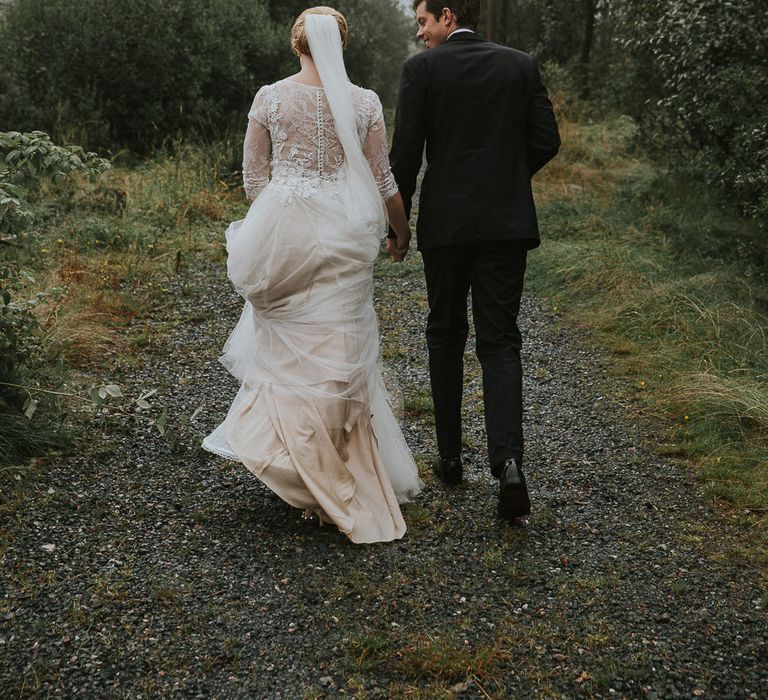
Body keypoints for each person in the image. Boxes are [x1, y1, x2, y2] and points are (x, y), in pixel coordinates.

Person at [202, 6, 422, 544]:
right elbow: (383, 176)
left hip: (287, 232)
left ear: (296, 45)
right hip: (345, 235)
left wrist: (276, 223)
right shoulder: (364, 101)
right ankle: (338, 458)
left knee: (286, 341)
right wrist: (401, 229)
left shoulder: (271, 97)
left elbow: (256, 177)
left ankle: (297, 458)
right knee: (341, 345)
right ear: (338, 45)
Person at [389, 0, 560, 520]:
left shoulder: (422, 70)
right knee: (500, 337)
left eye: (422, 22)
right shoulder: (520, 64)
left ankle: (449, 458)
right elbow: (547, 141)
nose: (420, 33)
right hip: (505, 223)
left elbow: (405, 155)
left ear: (446, 15)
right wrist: (508, 177)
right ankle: (508, 462)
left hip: (446, 225)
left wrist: (398, 228)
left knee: (444, 332)